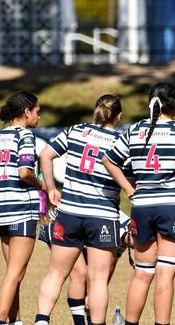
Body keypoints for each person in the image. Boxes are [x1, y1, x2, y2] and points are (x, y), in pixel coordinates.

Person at [103, 82, 175, 325]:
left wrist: (127, 187)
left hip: (142, 205)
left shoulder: (134, 130)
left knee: (142, 273)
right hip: (173, 207)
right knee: (165, 274)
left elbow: (108, 160)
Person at [35, 95, 126, 325]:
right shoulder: (121, 140)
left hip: (69, 212)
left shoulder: (75, 130)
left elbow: (45, 154)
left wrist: (51, 189)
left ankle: (41, 320)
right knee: (98, 279)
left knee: (55, 273)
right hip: (102, 216)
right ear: (118, 116)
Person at [0, 91, 43, 325]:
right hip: (21, 208)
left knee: (14, 274)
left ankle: (16, 321)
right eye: (37, 111)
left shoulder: (0, 136)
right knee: (15, 274)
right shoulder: (25, 135)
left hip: (1, 209)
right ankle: (0, 320)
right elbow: (24, 172)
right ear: (26, 112)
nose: (39, 116)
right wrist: (42, 184)